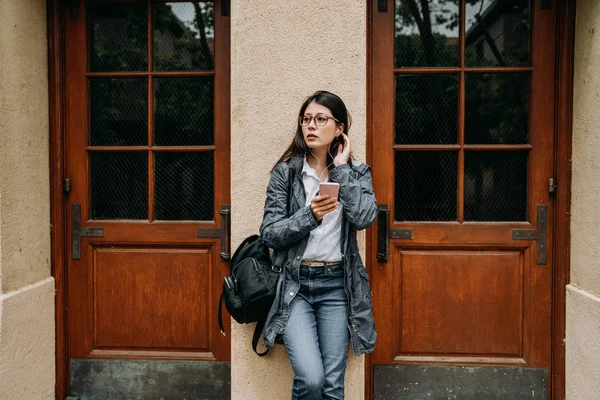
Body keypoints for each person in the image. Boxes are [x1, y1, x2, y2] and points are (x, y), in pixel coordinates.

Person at [260, 90, 377, 399]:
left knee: (332, 386)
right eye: (306, 119)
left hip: (337, 285)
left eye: (321, 119)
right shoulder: (286, 174)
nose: (311, 126)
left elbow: (365, 217)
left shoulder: (356, 173)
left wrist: (341, 170)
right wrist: (309, 215)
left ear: (339, 128)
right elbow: (269, 233)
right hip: (295, 286)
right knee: (311, 379)